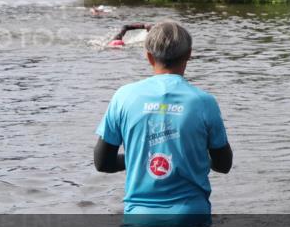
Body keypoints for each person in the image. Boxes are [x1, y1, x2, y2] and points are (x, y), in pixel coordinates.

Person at [93, 21, 233, 215]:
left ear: (148, 56)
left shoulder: (123, 97)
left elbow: (102, 163)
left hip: (139, 218)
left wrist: (139, 157)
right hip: (191, 217)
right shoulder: (204, 102)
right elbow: (223, 165)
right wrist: (186, 159)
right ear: (189, 54)